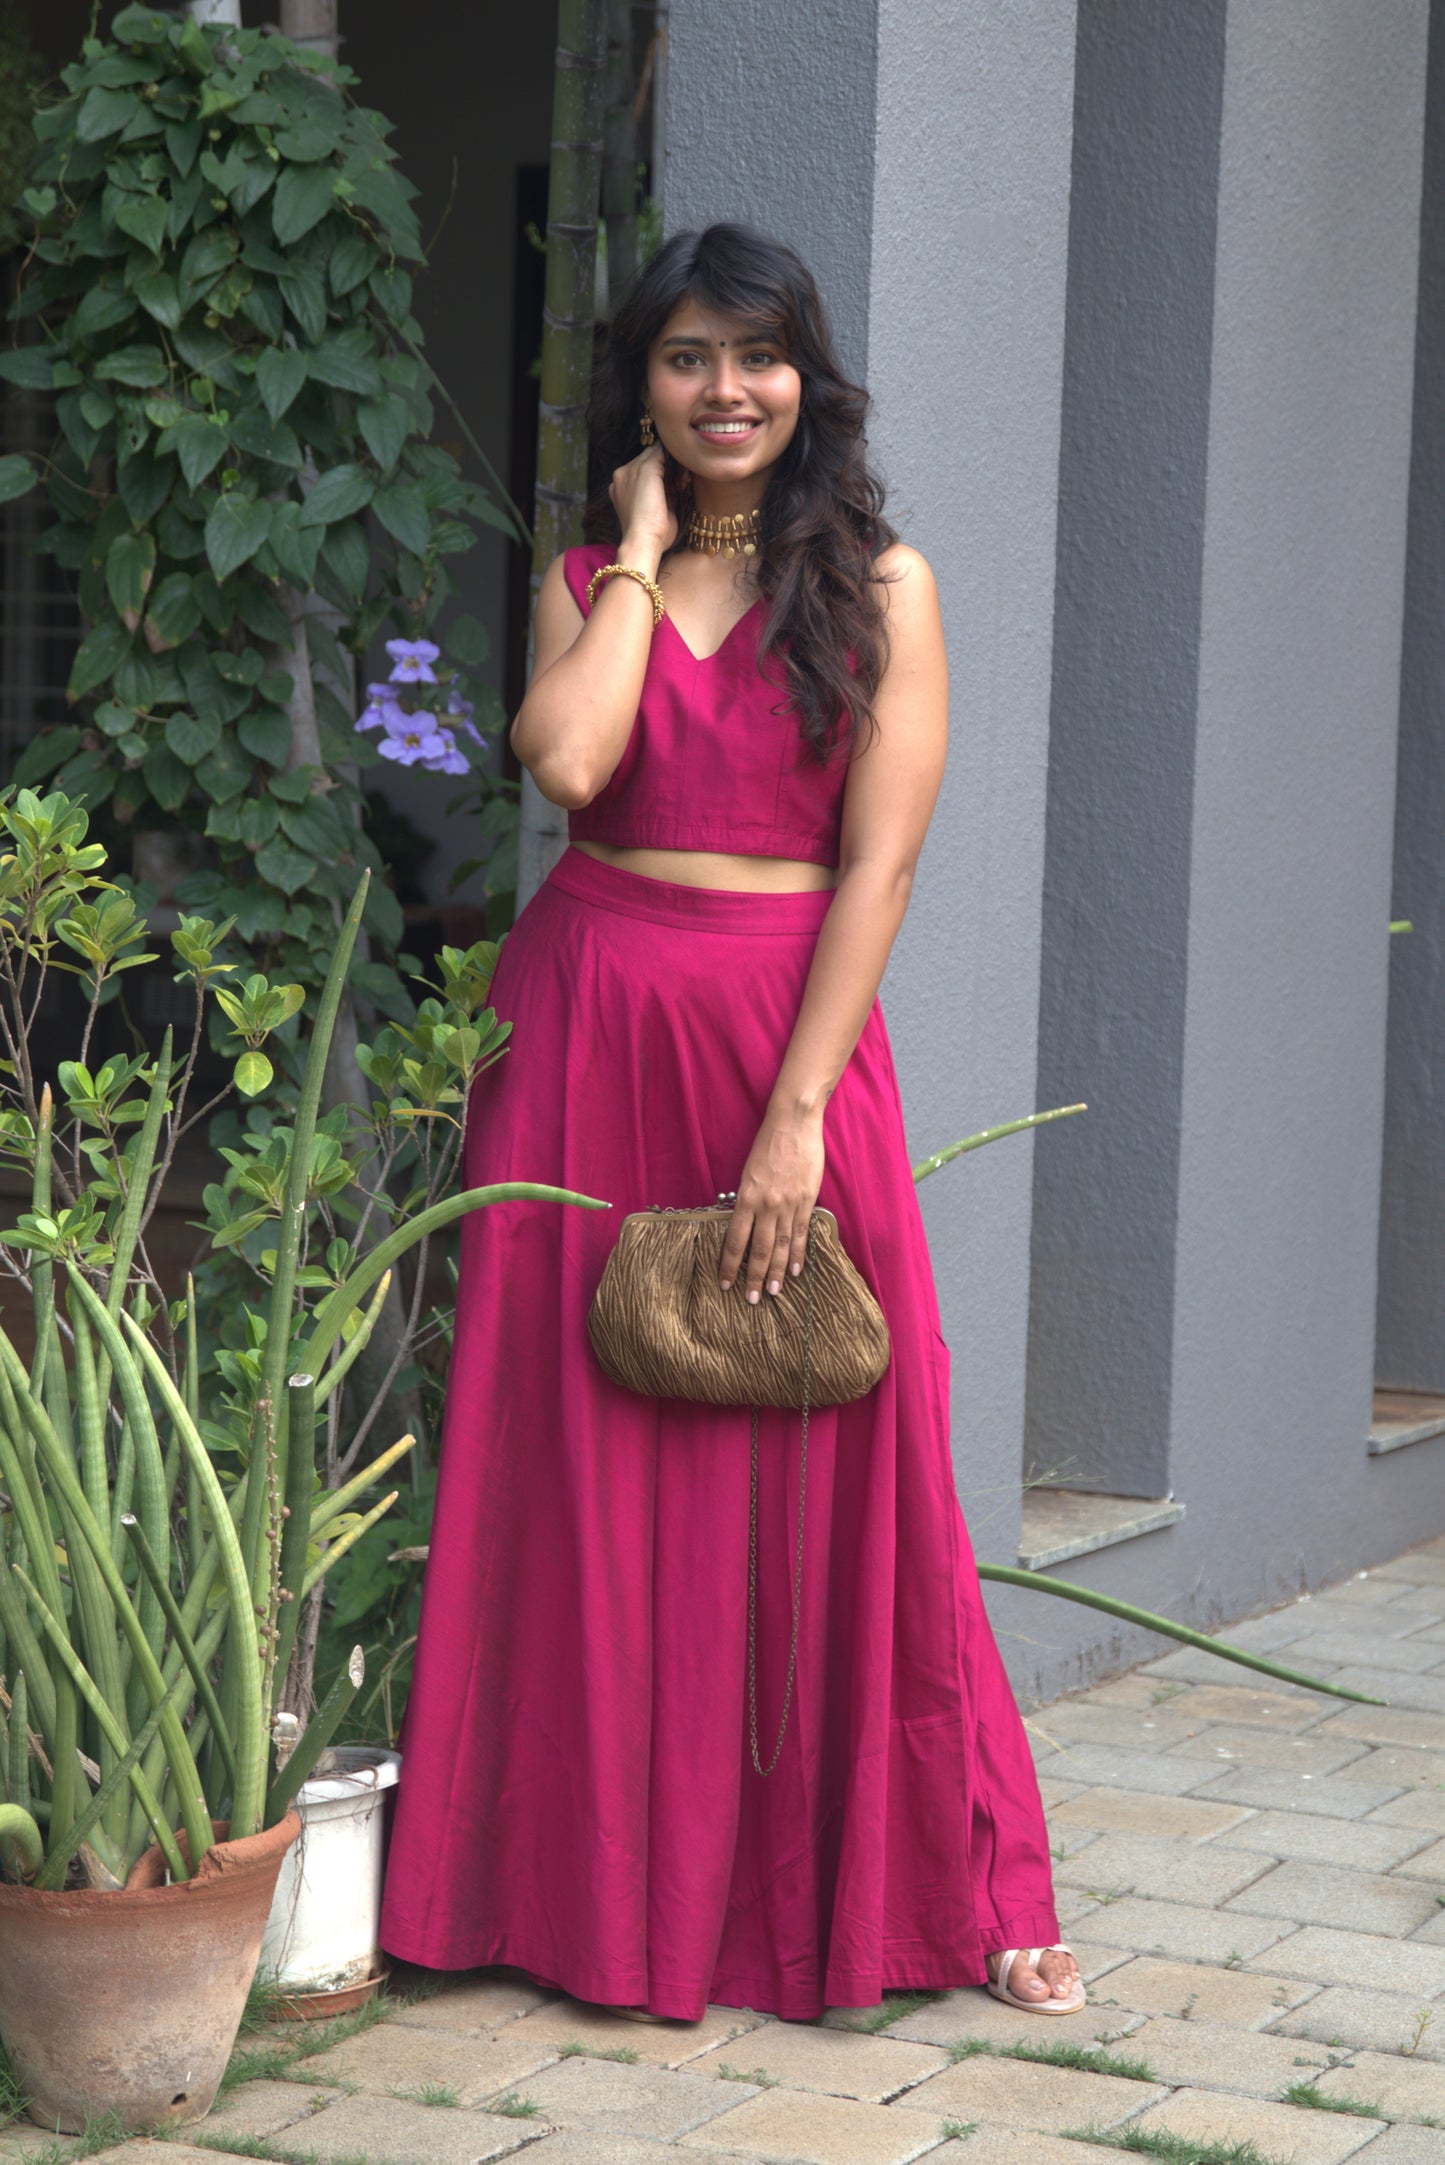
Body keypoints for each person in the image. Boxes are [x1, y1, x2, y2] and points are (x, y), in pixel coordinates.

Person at [379, 221, 1082, 2025]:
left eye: (754, 360)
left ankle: (946, 1884)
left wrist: (792, 1120)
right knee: (576, 1448)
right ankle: (575, 1892)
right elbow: (567, 764)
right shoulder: (583, 580)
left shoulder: (884, 586)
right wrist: (627, 556)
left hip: (787, 1031)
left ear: (806, 381)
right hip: (587, 1024)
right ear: (646, 385)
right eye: (687, 359)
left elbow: (882, 862)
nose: (723, 392)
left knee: (851, 1450)